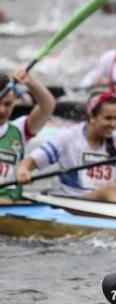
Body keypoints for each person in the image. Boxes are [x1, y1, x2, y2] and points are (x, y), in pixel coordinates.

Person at [19, 92, 116, 203]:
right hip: (75, 202)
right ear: (92, 117)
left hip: (106, 201)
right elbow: (29, 162)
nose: (113, 124)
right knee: (111, 189)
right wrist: (23, 170)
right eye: (108, 118)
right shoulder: (68, 138)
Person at [0, 68, 56, 203]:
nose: (2, 110)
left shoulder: (19, 130)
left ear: (15, 100)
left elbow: (48, 106)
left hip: (12, 209)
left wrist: (30, 81)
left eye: (7, 104)